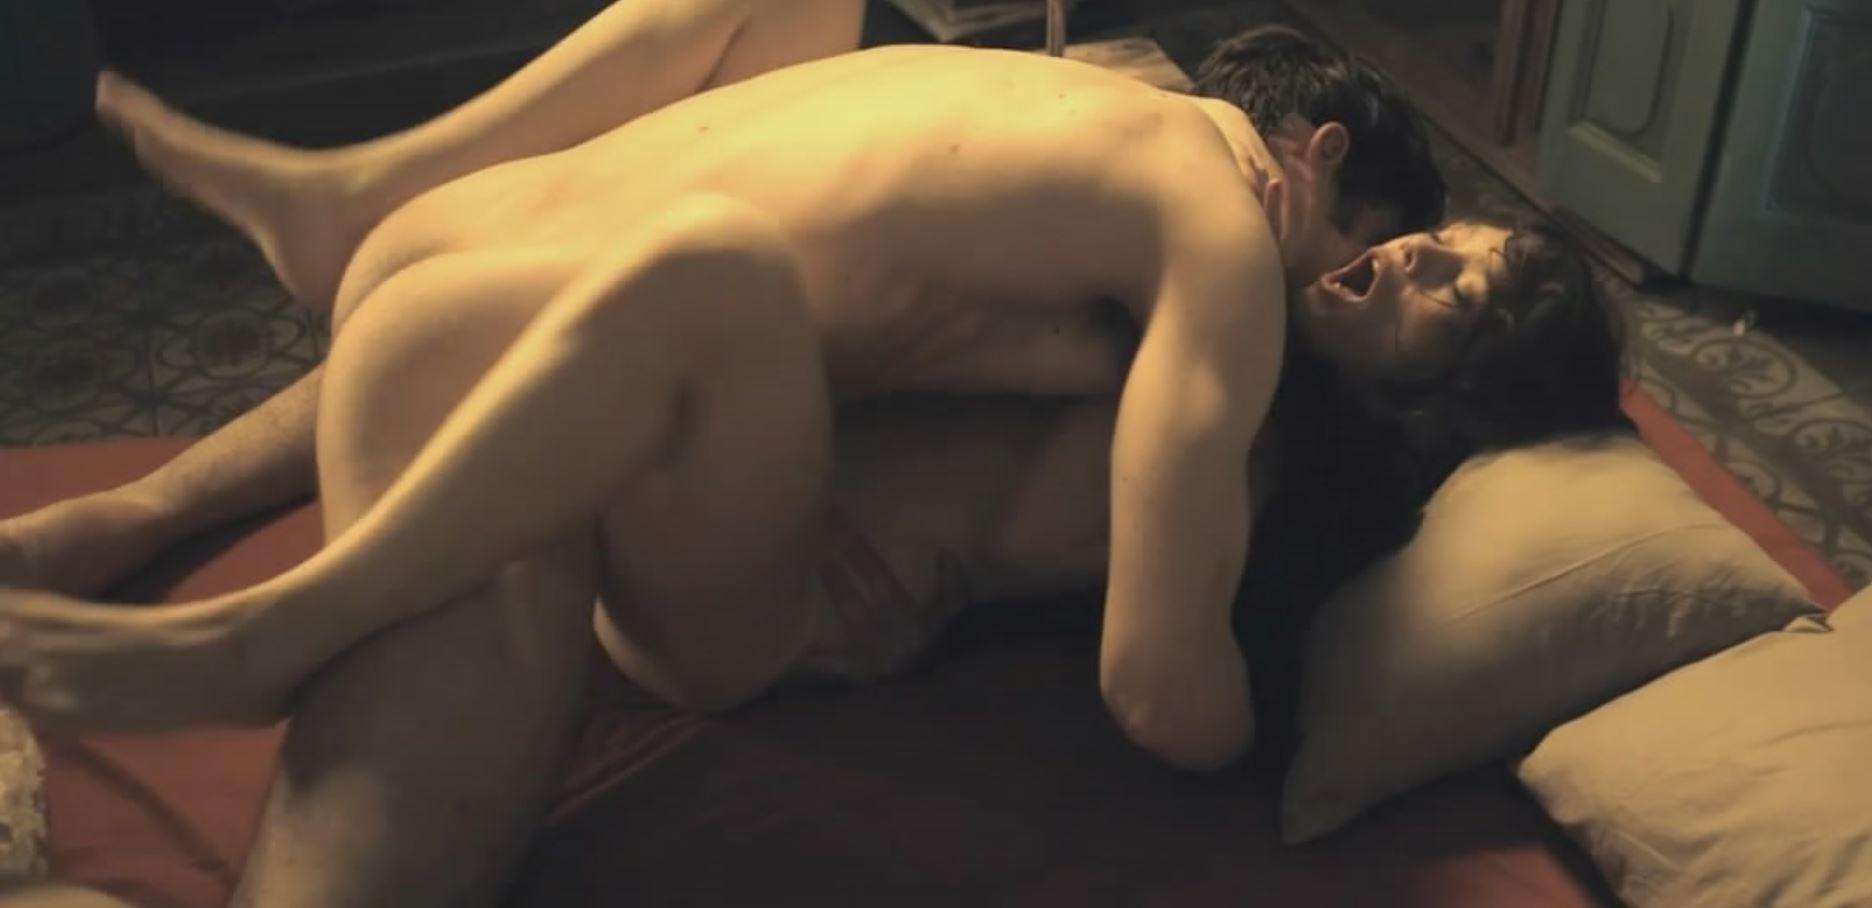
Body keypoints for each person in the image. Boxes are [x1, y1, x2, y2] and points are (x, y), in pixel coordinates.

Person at [0, 5, 1625, 906]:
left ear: (1441, 405)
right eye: (1434, 241)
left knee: (717, 264)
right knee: (690, 254)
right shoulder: (1115, 239)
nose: (1409, 261)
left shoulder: (1220, 345)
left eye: (1453, 290)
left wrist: (1258, 743)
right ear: (1310, 149)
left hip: (684, 519)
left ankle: (278, 623)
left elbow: (1161, 679)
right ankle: (324, 249)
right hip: (507, 328)